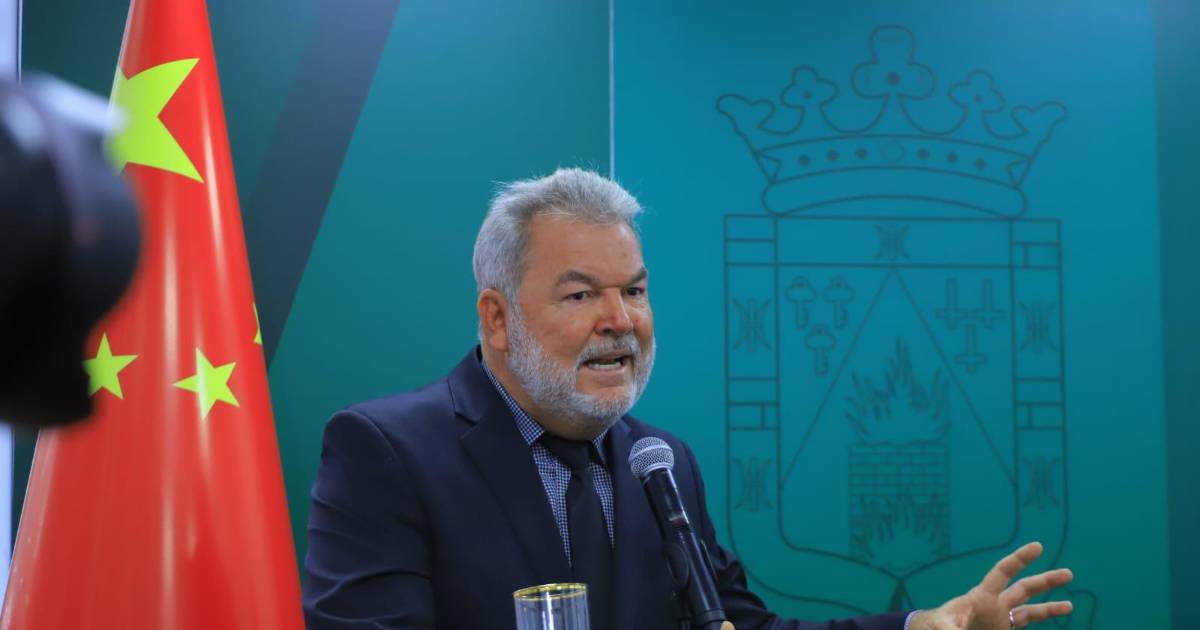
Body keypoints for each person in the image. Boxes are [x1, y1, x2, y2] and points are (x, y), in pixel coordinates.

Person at [302, 168, 1075, 629]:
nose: (621, 321)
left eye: (635, 291)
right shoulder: (386, 451)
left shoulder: (660, 461)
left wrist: (920, 626)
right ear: (498, 319)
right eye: (580, 295)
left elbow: (739, 625)